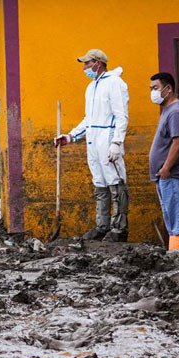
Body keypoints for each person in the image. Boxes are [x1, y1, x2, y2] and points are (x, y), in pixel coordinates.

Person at [54, 48, 130, 241]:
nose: (85, 67)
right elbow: (89, 119)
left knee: (116, 183)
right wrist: (70, 136)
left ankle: (119, 229)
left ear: (98, 63)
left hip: (108, 139)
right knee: (100, 183)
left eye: (88, 63)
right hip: (93, 141)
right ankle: (102, 226)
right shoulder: (91, 87)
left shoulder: (115, 83)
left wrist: (116, 142)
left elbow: (121, 116)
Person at [148, 71, 179, 251]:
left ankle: (177, 258)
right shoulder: (168, 110)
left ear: (168, 89)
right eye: (151, 89)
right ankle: (174, 255)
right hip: (166, 177)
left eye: (155, 88)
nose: (152, 92)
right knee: (172, 218)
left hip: (173, 176)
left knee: (177, 220)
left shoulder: (176, 112)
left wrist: (166, 168)